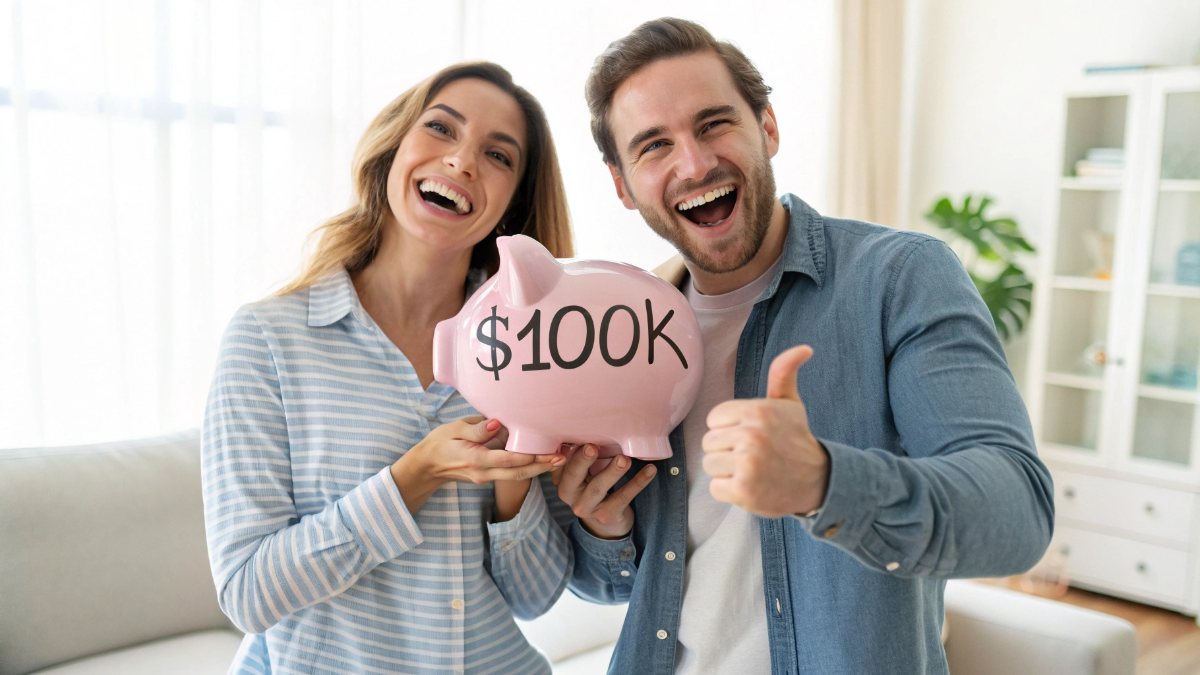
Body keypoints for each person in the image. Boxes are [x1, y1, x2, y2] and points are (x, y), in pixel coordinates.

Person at [552, 17, 1054, 674]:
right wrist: (604, 527)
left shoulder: (900, 277)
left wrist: (824, 480)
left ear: (768, 127)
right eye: (653, 146)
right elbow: (612, 584)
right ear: (622, 184)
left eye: (714, 124)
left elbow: (1018, 514)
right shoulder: (620, 330)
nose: (695, 163)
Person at [202, 61, 575, 674]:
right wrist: (416, 475)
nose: (461, 162)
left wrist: (514, 478)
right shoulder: (267, 340)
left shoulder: (535, 345)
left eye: (499, 156)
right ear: (391, 150)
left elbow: (534, 597)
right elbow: (248, 592)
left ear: (513, 202)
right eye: (440, 128)